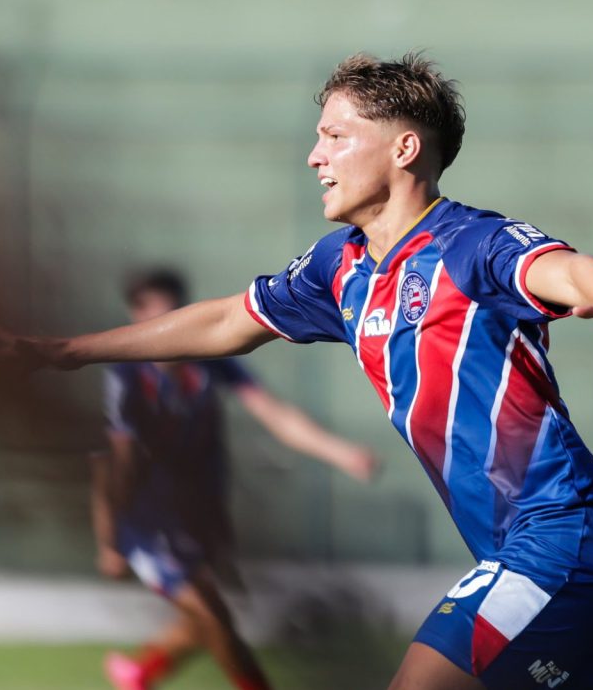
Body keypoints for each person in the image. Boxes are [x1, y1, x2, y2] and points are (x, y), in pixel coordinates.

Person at [6, 53, 593, 689]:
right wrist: (66, 350)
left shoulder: (468, 243)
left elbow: (556, 266)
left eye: (335, 136)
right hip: (579, 559)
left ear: (403, 148)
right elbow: (223, 321)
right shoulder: (342, 269)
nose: (315, 156)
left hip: (565, 538)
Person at [90, 268, 378, 690]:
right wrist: (109, 539)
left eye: (173, 313)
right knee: (211, 614)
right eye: (154, 315)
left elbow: (273, 413)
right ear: (138, 319)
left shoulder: (210, 364)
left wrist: (340, 452)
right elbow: (114, 461)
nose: (165, 327)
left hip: (198, 516)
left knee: (207, 617)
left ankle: (139, 673)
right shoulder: (126, 377)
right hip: (146, 522)